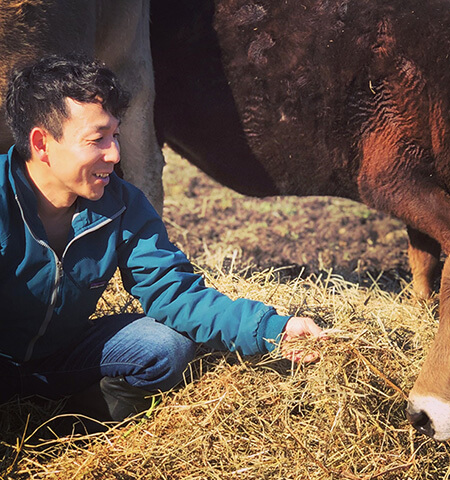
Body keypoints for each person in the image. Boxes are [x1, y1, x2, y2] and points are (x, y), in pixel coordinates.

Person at [0, 54, 324, 423]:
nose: (115, 154)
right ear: (41, 144)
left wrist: (274, 330)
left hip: (62, 355)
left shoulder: (123, 205)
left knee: (164, 345)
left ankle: (68, 425)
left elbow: (174, 292)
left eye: (115, 135)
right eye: (97, 139)